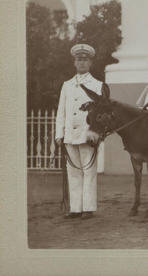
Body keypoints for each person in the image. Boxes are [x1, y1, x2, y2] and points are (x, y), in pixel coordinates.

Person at [55, 44, 103, 219]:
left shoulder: (97, 85)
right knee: (73, 172)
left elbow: (100, 113)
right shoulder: (67, 85)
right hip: (69, 135)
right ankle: (75, 208)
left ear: (90, 63)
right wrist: (59, 134)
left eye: (85, 59)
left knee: (89, 171)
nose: (81, 62)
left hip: (87, 135)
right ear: (74, 63)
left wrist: (96, 134)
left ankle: (88, 208)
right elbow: (62, 111)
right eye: (78, 59)